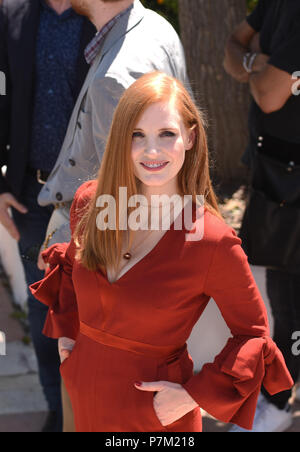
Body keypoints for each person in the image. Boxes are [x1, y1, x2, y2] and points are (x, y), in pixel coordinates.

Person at [30, 72, 293, 432]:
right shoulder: (90, 204)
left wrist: (191, 396)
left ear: (190, 136)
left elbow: (253, 336)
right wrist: (70, 335)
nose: (151, 150)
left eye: (166, 134)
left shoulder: (211, 240)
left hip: (156, 416)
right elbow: (74, 276)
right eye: (137, 135)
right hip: (86, 398)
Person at [0, 0, 95, 431]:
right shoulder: (12, 14)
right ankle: (59, 413)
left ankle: (92, 413)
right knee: (43, 319)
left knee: (95, 313)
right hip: (31, 197)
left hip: (93, 198)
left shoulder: (101, 14)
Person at [35, 0, 190, 254]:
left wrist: (64, 248)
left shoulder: (115, 77)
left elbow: (126, 200)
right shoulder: (155, 25)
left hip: (94, 247)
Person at [223, 0, 300, 432]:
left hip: (291, 182)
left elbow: (269, 95)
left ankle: (276, 402)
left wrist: (252, 67)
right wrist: (257, 62)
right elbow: (233, 45)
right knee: (285, 297)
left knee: (290, 305)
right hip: (278, 179)